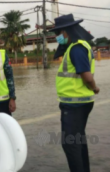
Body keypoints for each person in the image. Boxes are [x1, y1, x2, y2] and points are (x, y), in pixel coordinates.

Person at [50, 14, 100, 172]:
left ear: (66, 31)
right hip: (79, 102)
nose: (57, 37)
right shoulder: (79, 46)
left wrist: (95, 87)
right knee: (78, 140)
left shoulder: (76, 49)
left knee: (70, 144)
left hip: (75, 105)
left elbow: (86, 75)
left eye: (58, 33)